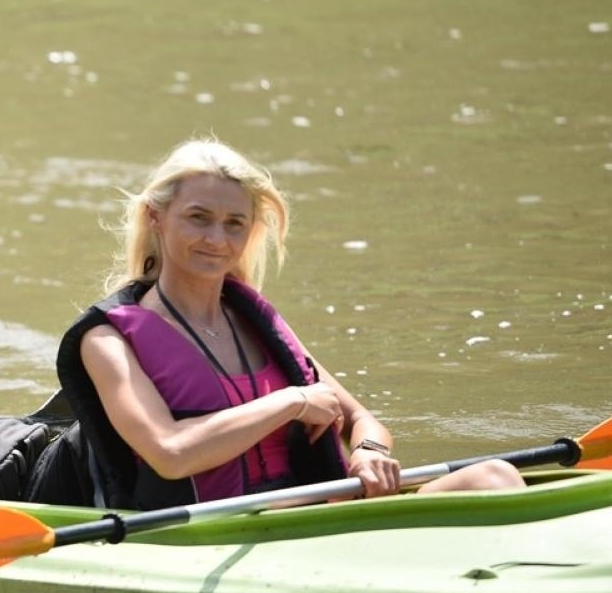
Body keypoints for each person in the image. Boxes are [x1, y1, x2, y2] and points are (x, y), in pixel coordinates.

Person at [52, 137, 524, 511]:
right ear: (156, 217)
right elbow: (171, 453)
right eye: (199, 218)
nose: (217, 239)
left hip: (314, 512)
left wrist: (371, 453)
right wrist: (292, 401)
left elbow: (359, 419)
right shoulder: (109, 339)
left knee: (496, 476)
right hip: (217, 532)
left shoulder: (254, 322)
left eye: (235, 223)